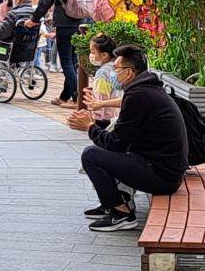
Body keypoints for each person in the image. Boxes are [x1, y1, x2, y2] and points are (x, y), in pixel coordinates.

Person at [70, 45, 187, 232]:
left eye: (115, 69)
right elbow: (126, 129)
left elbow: (117, 143)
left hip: (162, 176)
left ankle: (121, 214)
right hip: (164, 169)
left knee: (91, 155)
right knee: (101, 150)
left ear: (129, 73)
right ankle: (115, 202)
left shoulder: (139, 96)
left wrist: (90, 127)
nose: (113, 74)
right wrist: (94, 124)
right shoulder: (146, 90)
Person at [28, 0, 85, 105]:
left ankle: (78, 98)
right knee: (73, 61)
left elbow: (45, 1)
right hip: (82, 23)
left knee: (66, 61)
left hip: (64, 24)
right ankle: (65, 97)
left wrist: (34, 19)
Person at [69, 31, 124, 126]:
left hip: (104, 118)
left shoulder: (102, 73)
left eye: (93, 52)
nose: (91, 55)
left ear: (104, 55)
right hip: (116, 115)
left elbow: (101, 96)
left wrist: (95, 116)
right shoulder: (116, 68)